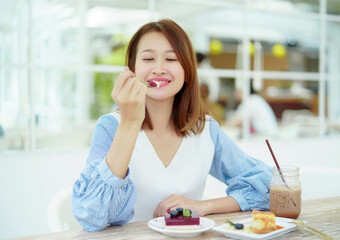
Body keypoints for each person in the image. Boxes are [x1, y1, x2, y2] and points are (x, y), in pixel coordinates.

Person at [72, 19, 272, 232]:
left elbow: (267, 185)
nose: (158, 69)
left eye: (171, 59)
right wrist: (130, 123)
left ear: (187, 70)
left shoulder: (205, 129)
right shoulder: (111, 127)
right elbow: (91, 216)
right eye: (148, 58)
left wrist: (204, 206)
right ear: (132, 70)